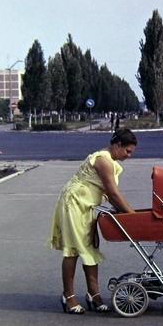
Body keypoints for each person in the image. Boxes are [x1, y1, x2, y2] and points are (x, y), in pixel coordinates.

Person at [48, 128, 137, 314]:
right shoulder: (103, 160)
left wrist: (127, 212)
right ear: (117, 145)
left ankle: (93, 294)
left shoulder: (109, 161)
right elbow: (112, 193)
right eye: (127, 151)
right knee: (72, 250)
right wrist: (132, 215)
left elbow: (110, 195)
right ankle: (69, 296)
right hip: (74, 203)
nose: (129, 156)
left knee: (90, 248)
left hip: (87, 205)